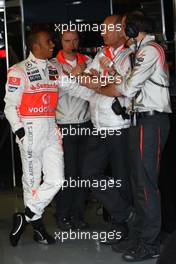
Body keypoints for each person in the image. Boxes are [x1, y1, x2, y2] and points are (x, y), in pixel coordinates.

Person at [58, 15, 133, 244]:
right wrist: (101, 82)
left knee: (121, 178)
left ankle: (122, 229)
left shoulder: (130, 55)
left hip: (119, 126)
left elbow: (121, 88)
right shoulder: (101, 54)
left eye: (107, 29)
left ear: (121, 31)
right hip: (97, 126)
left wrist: (99, 81)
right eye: (101, 29)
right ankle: (126, 213)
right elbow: (85, 80)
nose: (102, 33)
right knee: (89, 174)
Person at [112, 11, 172, 261]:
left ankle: (150, 243)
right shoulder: (141, 51)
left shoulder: (150, 50)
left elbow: (128, 86)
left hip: (151, 122)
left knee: (145, 185)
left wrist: (119, 87)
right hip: (140, 121)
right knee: (139, 184)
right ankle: (139, 237)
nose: (123, 31)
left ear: (134, 29)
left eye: (125, 27)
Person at [4, 26, 65, 246]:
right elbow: (10, 106)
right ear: (36, 45)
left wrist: (96, 83)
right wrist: (20, 132)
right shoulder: (18, 71)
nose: (53, 45)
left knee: (57, 179)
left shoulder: (54, 68)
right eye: (49, 42)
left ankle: (25, 217)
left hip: (51, 128)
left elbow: (73, 88)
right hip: (30, 130)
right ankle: (38, 229)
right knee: (32, 182)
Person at [51, 29, 92, 230]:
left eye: (75, 40)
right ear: (60, 41)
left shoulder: (90, 60)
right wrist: (77, 75)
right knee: (68, 173)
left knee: (84, 173)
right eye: (67, 40)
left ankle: (78, 214)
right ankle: (63, 214)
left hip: (86, 123)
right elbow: (59, 87)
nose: (71, 44)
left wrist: (77, 77)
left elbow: (97, 88)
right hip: (63, 125)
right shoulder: (52, 65)